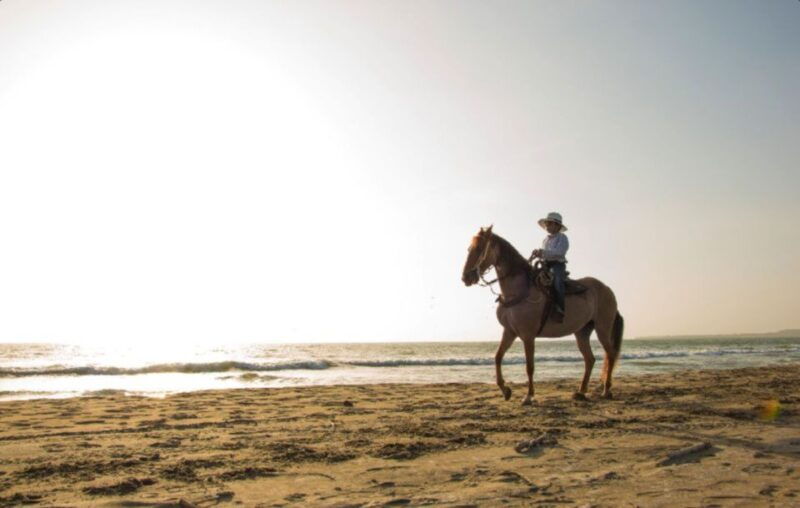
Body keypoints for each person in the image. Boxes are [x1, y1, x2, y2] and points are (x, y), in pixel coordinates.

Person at [530, 212, 569, 322]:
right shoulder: (545, 240)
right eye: (546, 223)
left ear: (557, 226)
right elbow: (545, 254)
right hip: (545, 265)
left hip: (557, 265)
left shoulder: (562, 238)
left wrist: (543, 252)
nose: (547, 226)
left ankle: (560, 309)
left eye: (549, 223)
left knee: (557, 282)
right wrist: (539, 253)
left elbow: (559, 253)